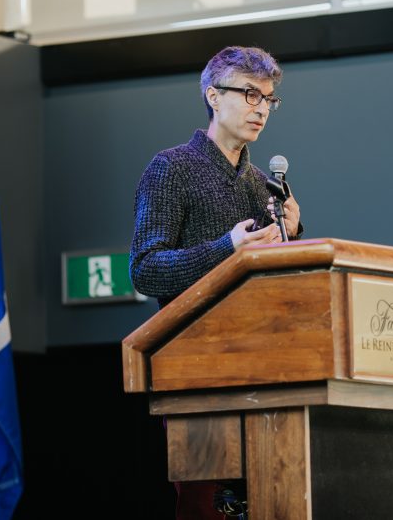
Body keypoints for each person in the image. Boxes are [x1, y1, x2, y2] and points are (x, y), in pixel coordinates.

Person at [129, 45, 301, 519]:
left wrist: (291, 233)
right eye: (249, 94)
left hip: (263, 366)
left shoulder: (262, 185)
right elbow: (145, 269)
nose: (261, 108)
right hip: (194, 367)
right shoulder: (171, 168)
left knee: (272, 499)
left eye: (268, 99)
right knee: (206, 506)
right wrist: (226, 248)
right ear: (212, 95)